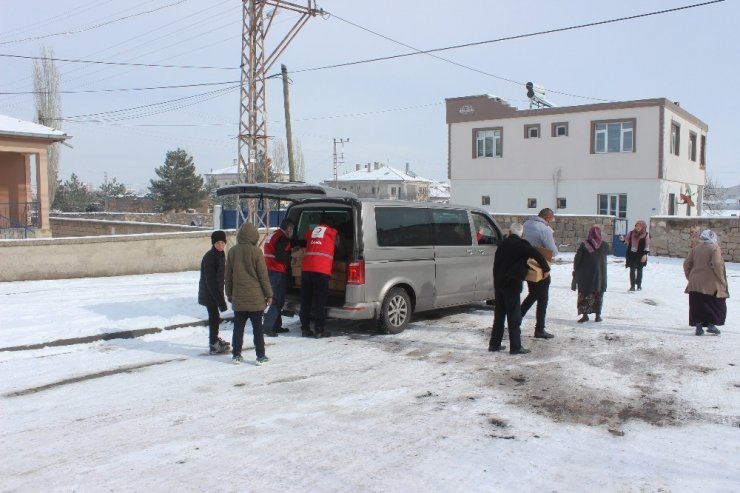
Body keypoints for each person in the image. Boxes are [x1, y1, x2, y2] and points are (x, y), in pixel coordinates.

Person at [489, 223, 550, 355]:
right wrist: (546, 269)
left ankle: (494, 344)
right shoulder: (522, 245)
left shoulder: (502, 244)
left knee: (499, 315)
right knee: (514, 316)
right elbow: (537, 255)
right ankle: (516, 347)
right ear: (522, 234)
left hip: (498, 284)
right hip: (511, 284)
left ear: (510, 232)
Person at [225, 222, 273, 365]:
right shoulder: (256, 251)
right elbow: (263, 276)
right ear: (254, 236)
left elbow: (228, 276)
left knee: (238, 328)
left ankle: (236, 355)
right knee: (258, 328)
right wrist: (269, 294)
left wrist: (229, 293)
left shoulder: (232, 251)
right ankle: (260, 356)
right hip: (256, 299)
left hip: (238, 298)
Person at [520, 208, 559, 339]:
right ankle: (539, 329)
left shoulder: (526, 224)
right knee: (543, 298)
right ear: (548, 217)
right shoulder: (544, 229)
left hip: (526, 264)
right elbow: (552, 251)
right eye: (552, 218)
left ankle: (516, 319)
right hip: (540, 266)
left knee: (533, 294)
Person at [683, 229, 729, 336]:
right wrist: (721, 279)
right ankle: (711, 325)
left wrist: (690, 276)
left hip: (695, 282)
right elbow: (717, 263)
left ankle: (699, 327)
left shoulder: (696, 248)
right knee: (716, 304)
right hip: (711, 283)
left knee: (697, 304)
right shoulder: (714, 248)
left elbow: (686, 264)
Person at [300, 217, 339, 339]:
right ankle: (319, 330)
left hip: (306, 269)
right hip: (321, 270)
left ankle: (305, 328)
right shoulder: (332, 233)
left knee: (305, 301)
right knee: (319, 302)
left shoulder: (312, 232)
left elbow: (304, 237)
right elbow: (339, 247)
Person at [198, 230, 230, 354]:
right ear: (213, 243)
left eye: (222, 242)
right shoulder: (210, 257)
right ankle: (213, 343)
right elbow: (211, 281)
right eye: (217, 243)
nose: (220, 245)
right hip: (209, 293)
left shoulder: (220, 254)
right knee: (214, 317)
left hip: (214, 291)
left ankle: (214, 339)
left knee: (215, 317)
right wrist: (220, 300)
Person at [262, 219, 295, 337]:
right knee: (277, 301)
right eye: (292, 229)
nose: (292, 232)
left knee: (276, 299)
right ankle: (268, 326)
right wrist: (292, 259)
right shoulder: (283, 238)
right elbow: (280, 255)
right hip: (277, 271)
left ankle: (276, 326)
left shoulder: (273, 234)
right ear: (288, 229)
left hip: (269, 269)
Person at [572, 225, 609, 323]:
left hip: (585, 275)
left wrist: (575, 269)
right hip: (600, 275)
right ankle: (598, 316)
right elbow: (607, 253)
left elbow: (578, 258)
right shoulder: (604, 244)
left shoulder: (584, 244)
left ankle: (585, 315)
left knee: (584, 294)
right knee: (598, 294)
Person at [621, 220, 650, 291]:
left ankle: (639, 285)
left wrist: (645, 255)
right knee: (632, 269)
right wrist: (622, 240)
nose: (637, 227)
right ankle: (632, 286)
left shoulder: (646, 235)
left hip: (641, 254)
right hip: (631, 254)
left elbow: (647, 245)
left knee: (640, 270)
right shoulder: (631, 233)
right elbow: (626, 241)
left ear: (643, 227)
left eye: (639, 226)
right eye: (636, 226)